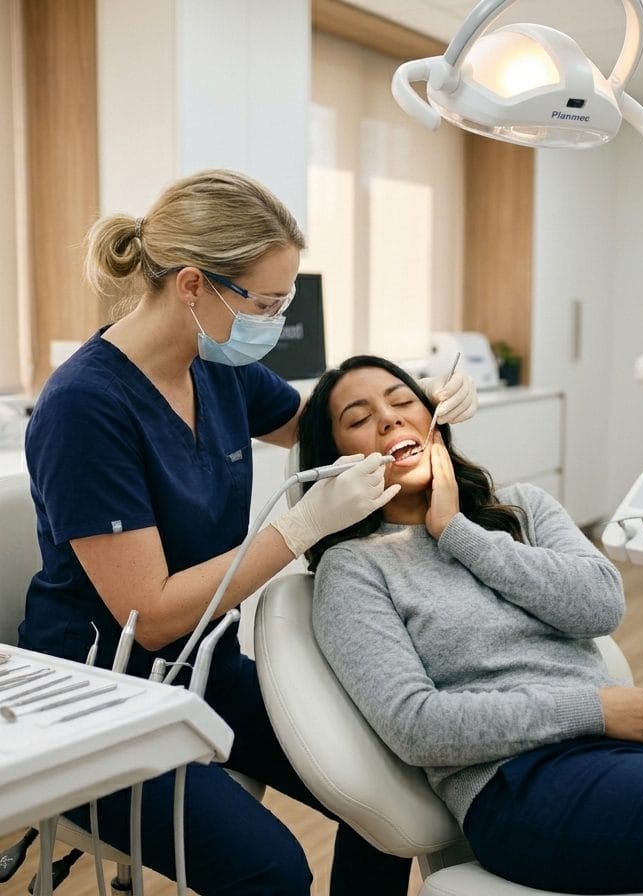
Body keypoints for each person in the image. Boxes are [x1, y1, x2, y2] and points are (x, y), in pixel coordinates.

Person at [18, 170, 477, 896]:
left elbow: (322, 428)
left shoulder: (217, 368)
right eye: (265, 304)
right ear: (193, 286)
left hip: (207, 669)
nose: (275, 321)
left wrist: (414, 408)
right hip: (96, 703)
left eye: (283, 302)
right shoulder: (85, 408)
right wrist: (300, 528)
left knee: (388, 796)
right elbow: (151, 616)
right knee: (272, 870)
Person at [300, 354, 643, 895]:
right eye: (358, 419)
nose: (389, 418)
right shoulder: (354, 569)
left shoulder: (524, 508)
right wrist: (590, 710)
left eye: (402, 401)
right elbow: (417, 727)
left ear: (434, 420)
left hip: (628, 745)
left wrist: (459, 533)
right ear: (336, 462)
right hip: (523, 784)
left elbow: (600, 606)